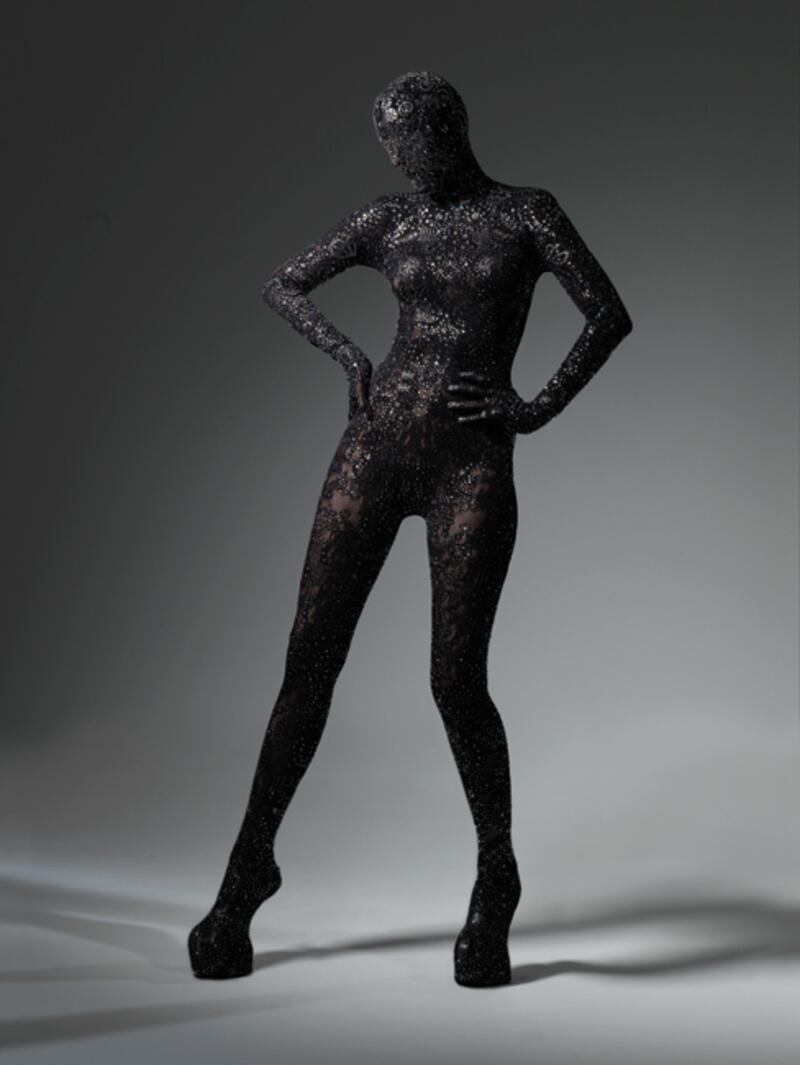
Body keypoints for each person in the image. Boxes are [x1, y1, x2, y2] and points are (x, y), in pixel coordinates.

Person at [188, 70, 633, 988]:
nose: (396, 159)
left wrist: (534, 406)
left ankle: (496, 874)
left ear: (447, 128)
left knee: (454, 680)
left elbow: (607, 313)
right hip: (375, 447)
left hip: (472, 462)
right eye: (387, 145)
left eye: (405, 140)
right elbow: (284, 283)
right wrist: (347, 352)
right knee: (308, 662)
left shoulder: (525, 213)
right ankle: (245, 874)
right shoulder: (388, 220)